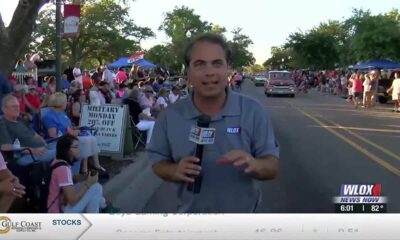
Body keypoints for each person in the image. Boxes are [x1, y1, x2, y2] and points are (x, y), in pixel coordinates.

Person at [148, 33, 279, 213]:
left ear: (228, 68)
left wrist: (254, 164)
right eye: (200, 64)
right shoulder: (169, 116)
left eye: (217, 63)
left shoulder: (254, 111)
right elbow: (158, 162)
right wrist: (173, 170)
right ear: (188, 71)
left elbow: (272, 166)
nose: (209, 72)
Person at [42, 93, 107, 177]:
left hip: (69, 137)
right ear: (61, 103)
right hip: (59, 141)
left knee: (91, 138)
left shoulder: (62, 113)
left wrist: (76, 128)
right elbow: (53, 136)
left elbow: (68, 127)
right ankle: (84, 170)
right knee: (86, 140)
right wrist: (70, 133)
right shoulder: (49, 116)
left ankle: (96, 165)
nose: (67, 103)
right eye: (66, 101)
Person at [47, 134, 103, 213]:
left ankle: (100, 206)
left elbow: (68, 181)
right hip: (59, 212)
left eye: (79, 147)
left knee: (99, 198)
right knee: (96, 187)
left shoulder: (58, 161)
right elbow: (72, 201)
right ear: (66, 149)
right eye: (75, 147)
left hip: (60, 204)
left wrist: (84, 177)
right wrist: (88, 184)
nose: (79, 150)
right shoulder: (63, 169)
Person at [0, 94, 56, 166]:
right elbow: (4, 146)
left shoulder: (20, 119)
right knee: (64, 152)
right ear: (4, 109)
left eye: (18, 106)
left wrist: (44, 143)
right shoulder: (3, 124)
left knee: (67, 145)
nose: (17, 108)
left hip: (42, 149)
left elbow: (34, 134)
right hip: (25, 156)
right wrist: (31, 150)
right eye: (13, 106)